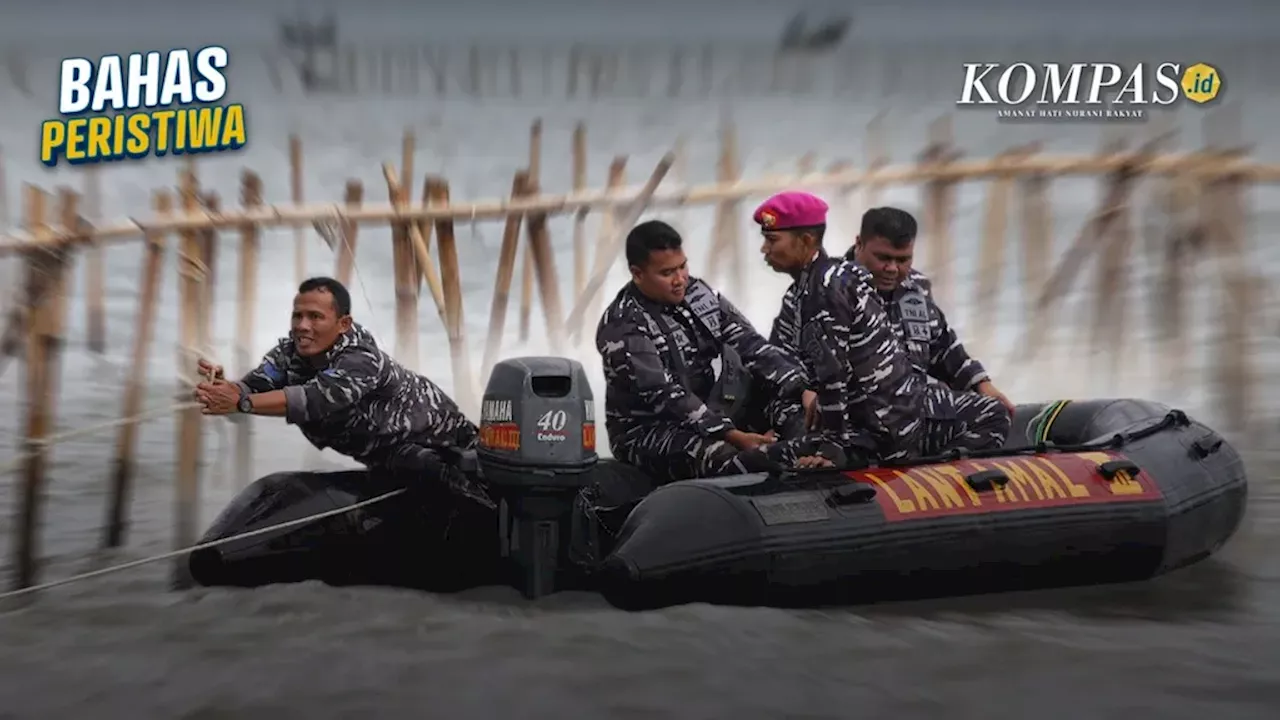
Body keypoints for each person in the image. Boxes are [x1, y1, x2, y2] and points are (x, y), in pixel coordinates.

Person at [192, 276, 494, 510]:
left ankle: (488, 511)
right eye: (297, 316)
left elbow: (315, 399)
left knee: (422, 466)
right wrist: (226, 387)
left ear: (343, 324)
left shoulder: (361, 359)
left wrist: (240, 402)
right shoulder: (287, 354)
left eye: (315, 317)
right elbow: (255, 385)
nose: (302, 326)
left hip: (438, 440)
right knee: (399, 464)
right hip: (383, 452)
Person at [596, 219, 816, 481]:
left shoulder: (700, 294)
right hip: (651, 430)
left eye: (683, 266)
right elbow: (666, 397)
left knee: (801, 414)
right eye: (667, 273)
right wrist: (732, 435)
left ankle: (811, 465)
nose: (680, 280)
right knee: (726, 456)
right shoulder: (623, 325)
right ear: (638, 273)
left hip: (716, 409)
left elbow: (749, 344)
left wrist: (801, 387)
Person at [757, 191, 924, 467]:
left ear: (806, 241)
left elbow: (832, 375)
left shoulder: (823, 289)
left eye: (772, 240)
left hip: (871, 433)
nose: (765, 249)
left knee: (741, 463)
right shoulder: (826, 279)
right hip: (877, 423)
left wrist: (830, 450)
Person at [846, 207, 1012, 455]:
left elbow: (943, 346)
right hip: (861, 417)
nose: (892, 268)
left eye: (902, 260)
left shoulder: (916, 289)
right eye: (883, 258)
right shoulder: (831, 290)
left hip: (920, 409)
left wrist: (982, 384)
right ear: (859, 244)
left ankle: (938, 481)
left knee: (994, 413)